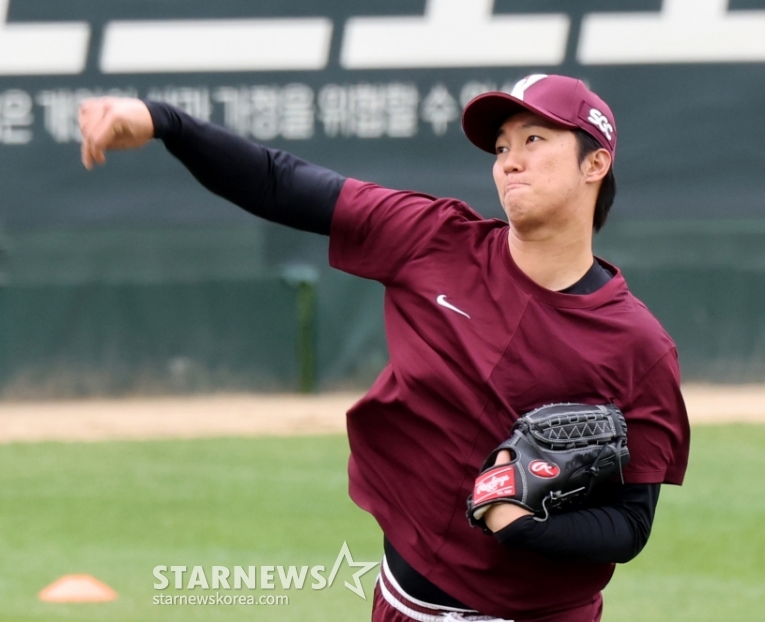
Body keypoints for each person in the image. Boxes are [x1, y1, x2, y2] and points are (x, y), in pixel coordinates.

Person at [78, 74, 690, 622]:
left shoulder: (638, 346)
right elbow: (278, 181)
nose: (510, 162)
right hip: (403, 603)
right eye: (502, 148)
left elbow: (630, 524)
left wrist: (522, 524)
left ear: (595, 163)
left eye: (534, 140)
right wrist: (165, 122)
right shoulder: (434, 241)